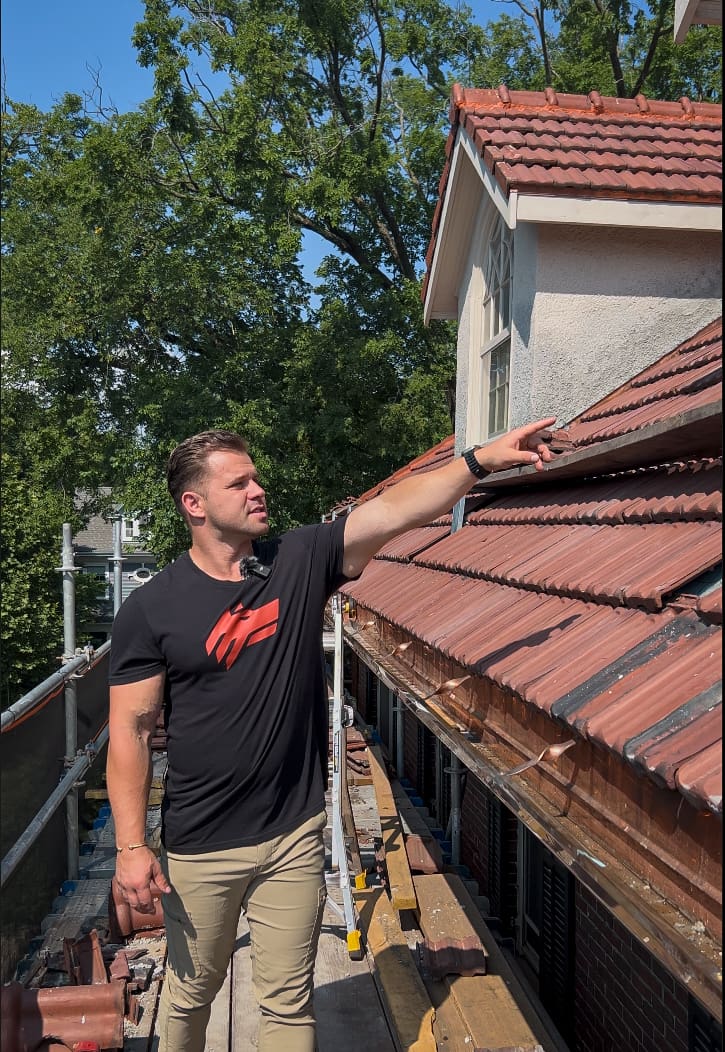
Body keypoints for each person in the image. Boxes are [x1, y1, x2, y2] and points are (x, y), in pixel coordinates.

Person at [106, 418, 556, 1052]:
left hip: (293, 832)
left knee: (287, 1004)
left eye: (256, 476)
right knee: (190, 995)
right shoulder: (153, 608)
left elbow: (393, 511)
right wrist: (130, 847)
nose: (259, 489)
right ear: (195, 504)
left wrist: (478, 462)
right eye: (239, 483)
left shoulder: (298, 559)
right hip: (202, 843)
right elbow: (130, 731)